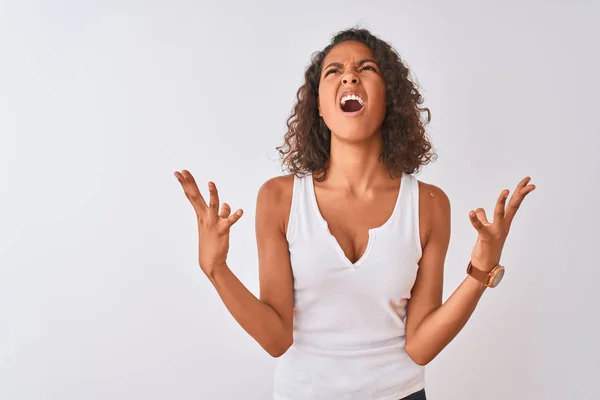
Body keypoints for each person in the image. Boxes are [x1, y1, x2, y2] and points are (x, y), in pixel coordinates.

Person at [174, 27, 535, 400]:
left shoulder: (428, 204)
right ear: (318, 104)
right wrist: (216, 269)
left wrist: (480, 272)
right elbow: (277, 338)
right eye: (334, 71)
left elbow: (420, 347)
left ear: (388, 98)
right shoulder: (280, 199)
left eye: (366, 68)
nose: (349, 75)